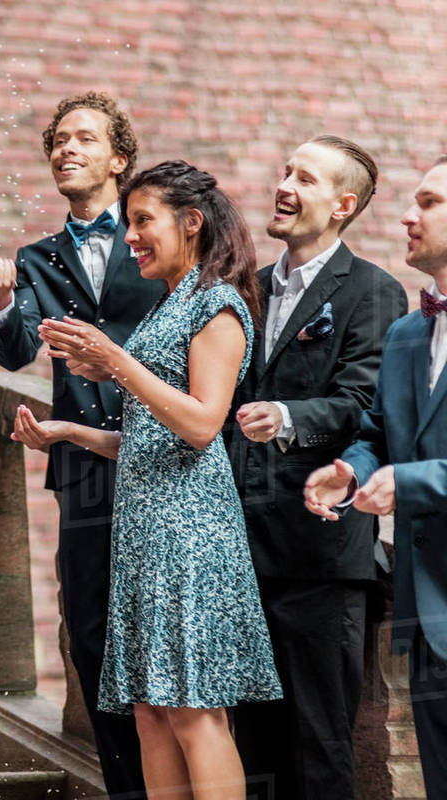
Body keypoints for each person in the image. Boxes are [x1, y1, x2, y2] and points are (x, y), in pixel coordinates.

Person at [19, 160, 282, 799]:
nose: (131, 235)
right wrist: (71, 432)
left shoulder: (216, 303)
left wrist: (116, 363)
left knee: (194, 710)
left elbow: (200, 424)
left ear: (191, 223)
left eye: (144, 220)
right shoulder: (171, 303)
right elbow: (149, 436)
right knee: (150, 711)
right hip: (144, 531)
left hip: (191, 532)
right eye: (130, 221)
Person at [0, 91, 161, 795]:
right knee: (89, 633)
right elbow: (19, 353)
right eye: (58, 141)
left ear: (119, 158)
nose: (66, 149)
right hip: (81, 473)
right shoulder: (36, 258)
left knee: (160, 630)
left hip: (164, 456)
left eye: (84, 139)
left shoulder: (155, 240)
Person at [228, 136, 406, 799]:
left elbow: (365, 402)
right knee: (253, 747)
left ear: (342, 204)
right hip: (241, 555)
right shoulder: (244, 289)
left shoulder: (372, 292)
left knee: (321, 747)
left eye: (303, 177)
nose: (284, 184)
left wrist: (290, 416)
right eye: (285, 171)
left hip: (320, 558)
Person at [305, 155, 447, 799]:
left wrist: (408, 483)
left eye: (429, 202)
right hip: (427, 613)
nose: (407, 215)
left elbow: (410, 468)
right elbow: (378, 434)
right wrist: (348, 468)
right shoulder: (406, 335)